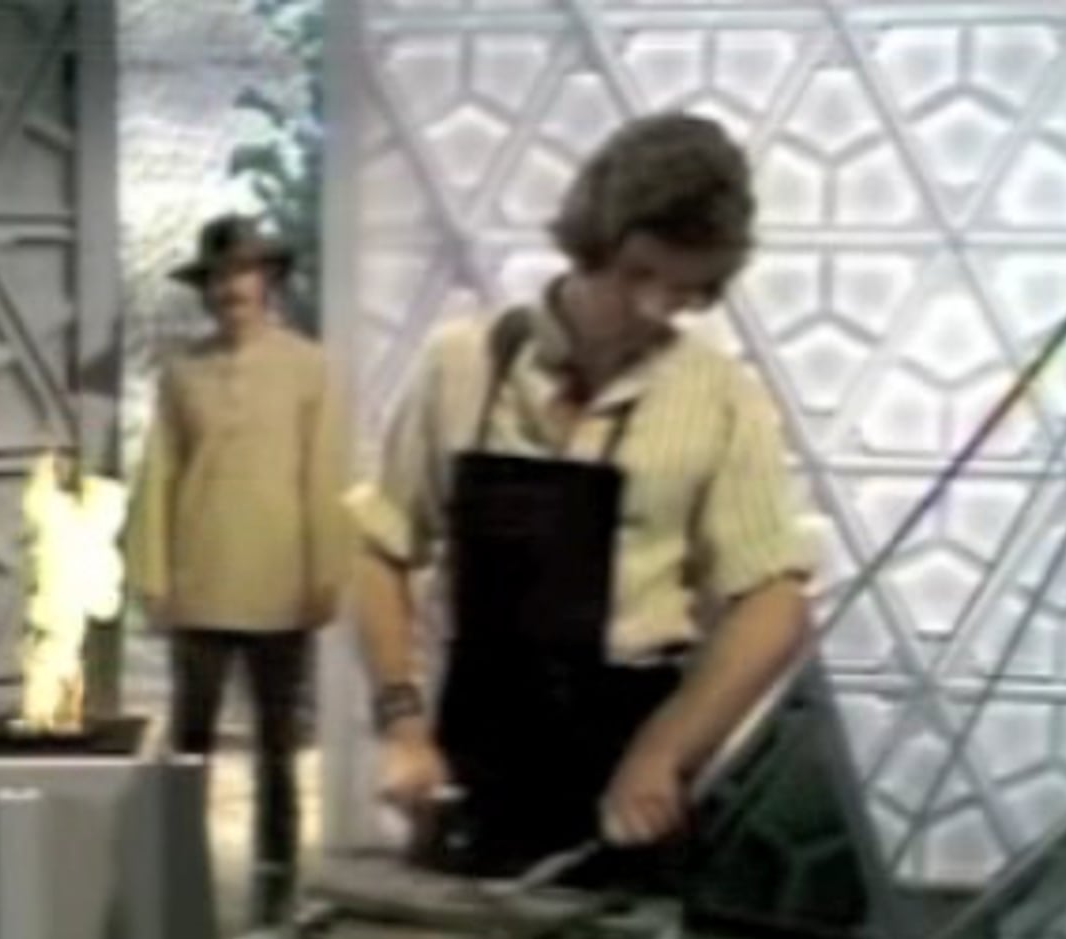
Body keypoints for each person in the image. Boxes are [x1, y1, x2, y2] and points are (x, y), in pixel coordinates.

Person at [343, 113, 812, 887]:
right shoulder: (462, 365)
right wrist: (402, 726)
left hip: (625, 745)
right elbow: (379, 551)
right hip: (477, 737)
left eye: (685, 291)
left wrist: (667, 748)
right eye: (639, 275)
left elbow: (774, 603)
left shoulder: (721, 397)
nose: (657, 308)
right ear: (592, 239)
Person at [126, 215, 352, 923]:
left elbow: (325, 474)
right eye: (221, 277)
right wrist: (152, 572)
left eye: (245, 274)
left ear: (269, 282)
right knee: (190, 745)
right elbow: (159, 475)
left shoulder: (309, 367)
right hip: (200, 581)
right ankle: (177, 885)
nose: (233, 289)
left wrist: (327, 571)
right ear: (207, 289)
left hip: (282, 583)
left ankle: (276, 893)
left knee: (278, 750)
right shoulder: (182, 373)